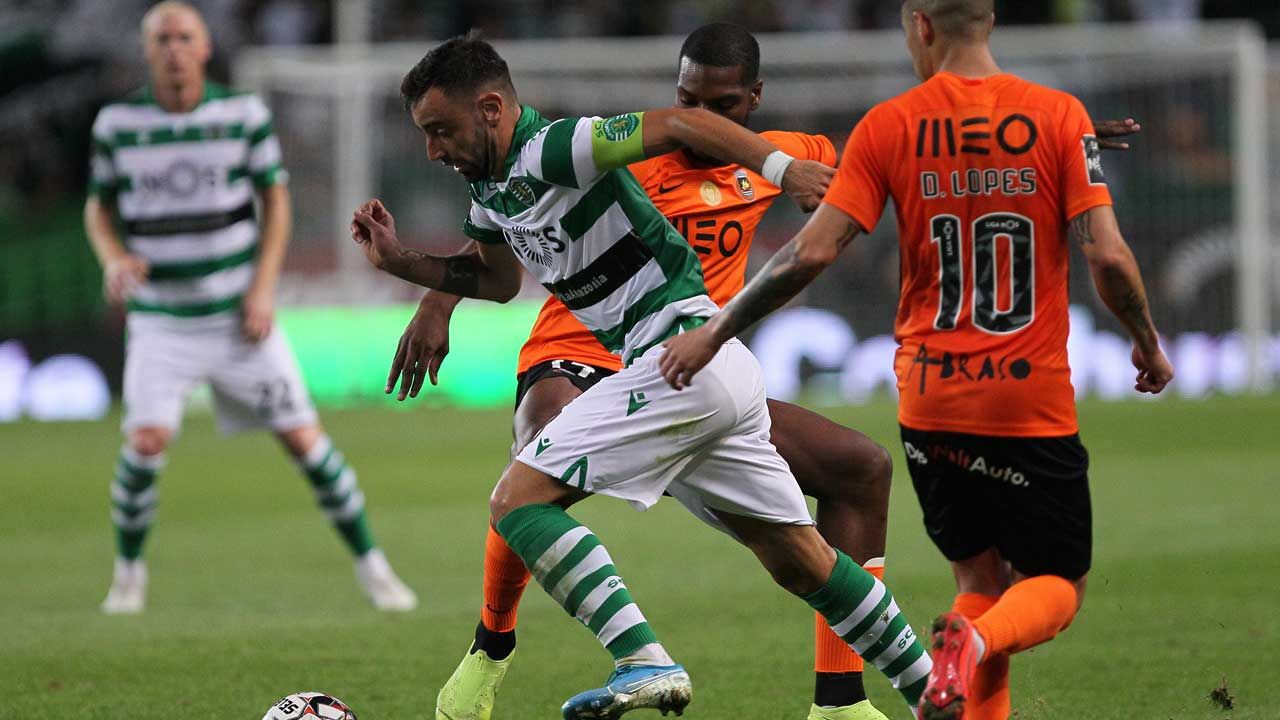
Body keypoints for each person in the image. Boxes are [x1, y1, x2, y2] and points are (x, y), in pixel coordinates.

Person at [352, 34, 935, 719]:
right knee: (801, 559)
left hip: (678, 352)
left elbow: (681, 124)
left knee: (516, 501)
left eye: (440, 130)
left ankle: (641, 660)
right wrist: (401, 262)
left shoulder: (558, 146)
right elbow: (496, 280)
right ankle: (941, 694)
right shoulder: (487, 188)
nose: (431, 150)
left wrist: (782, 169)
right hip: (701, 368)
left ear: (489, 108)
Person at [657, 2, 1175, 719]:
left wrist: (715, 331)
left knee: (978, 581)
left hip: (931, 397)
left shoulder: (890, 125)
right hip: (1027, 395)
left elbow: (809, 252)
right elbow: (1109, 258)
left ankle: (963, 648)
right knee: (1055, 586)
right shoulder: (1059, 117)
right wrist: (1145, 339)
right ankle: (971, 642)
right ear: (989, 22)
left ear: (921, 26)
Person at [85, 1, 416, 614]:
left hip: (238, 316)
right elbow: (98, 207)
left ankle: (374, 567)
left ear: (205, 47)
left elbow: (276, 201)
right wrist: (111, 258)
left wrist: (263, 288)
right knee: (146, 442)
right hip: (161, 318)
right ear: (147, 51)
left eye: (184, 37)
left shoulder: (241, 115)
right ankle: (127, 576)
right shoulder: (117, 124)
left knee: (305, 442)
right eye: (162, 39)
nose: (174, 49)